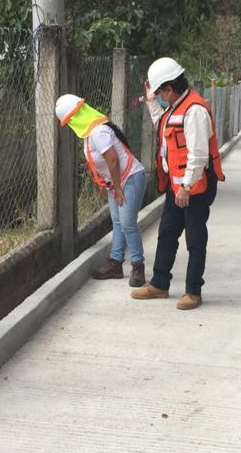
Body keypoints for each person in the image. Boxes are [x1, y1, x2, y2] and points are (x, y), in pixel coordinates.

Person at [131, 58, 224, 311]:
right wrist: (151, 102)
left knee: (195, 239)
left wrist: (186, 187)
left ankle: (193, 291)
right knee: (167, 234)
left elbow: (199, 155)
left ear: (169, 88)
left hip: (195, 186)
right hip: (178, 186)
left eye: (160, 92)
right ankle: (159, 284)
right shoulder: (175, 108)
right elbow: (162, 126)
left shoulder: (194, 111)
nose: (160, 96)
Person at [55, 94, 147, 286]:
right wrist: (103, 184)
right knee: (118, 223)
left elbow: (112, 160)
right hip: (115, 181)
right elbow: (98, 162)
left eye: (70, 120)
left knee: (127, 223)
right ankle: (116, 264)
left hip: (130, 178)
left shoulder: (98, 132)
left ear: (77, 116)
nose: (71, 125)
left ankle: (138, 267)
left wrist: (118, 188)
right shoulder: (90, 134)